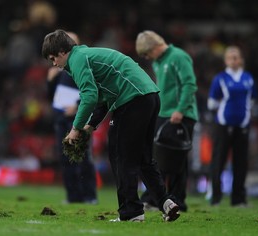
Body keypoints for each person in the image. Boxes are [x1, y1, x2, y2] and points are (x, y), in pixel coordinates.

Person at [42, 29, 180, 222]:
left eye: (52, 58)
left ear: (63, 52)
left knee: (120, 156)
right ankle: (166, 202)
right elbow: (101, 98)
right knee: (143, 158)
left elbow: (89, 97)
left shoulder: (77, 58)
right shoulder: (87, 55)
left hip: (132, 101)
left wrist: (75, 128)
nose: (54, 64)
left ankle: (131, 212)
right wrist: (90, 125)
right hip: (149, 97)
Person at [135, 31, 199, 212]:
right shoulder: (158, 61)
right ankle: (160, 198)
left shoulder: (179, 56)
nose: (147, 57)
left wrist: (181, 109)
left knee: (176, 159)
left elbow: (189, 84)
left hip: (181, 114)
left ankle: (171, 199)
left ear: (153, 47)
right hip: (164, 114)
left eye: (147, 53)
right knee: (159, 158)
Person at [46, 32, 98, 204]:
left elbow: (92, 89)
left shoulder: (81, 62)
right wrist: (50, 81)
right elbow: (52, 96)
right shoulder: (61, 69)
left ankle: (89, 196)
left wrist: (76, 105)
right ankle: (73, 196)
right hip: (61, 118)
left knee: (83, 157)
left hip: (79, 117)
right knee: (65, 158)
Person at [207, 46, 258, 207]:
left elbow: (252, 99)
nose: (234, 60)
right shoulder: (220, 78)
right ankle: (215, 196)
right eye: (231, 57)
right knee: (218, 160)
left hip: (242, 124)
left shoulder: (248, 78)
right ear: (226, 61)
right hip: (223, 124)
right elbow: (212, 103)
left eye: (236, 57)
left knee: (241, 162)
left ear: (241, 59)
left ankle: (238, 199)